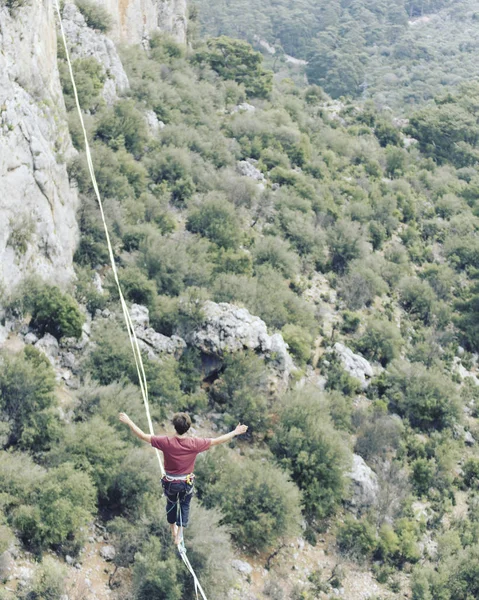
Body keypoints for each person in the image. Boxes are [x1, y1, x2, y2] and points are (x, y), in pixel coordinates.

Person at [119, 411, 247, 545]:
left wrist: (129, 421)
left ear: (174, 426)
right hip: (186, 483)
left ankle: (173, 528)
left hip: (170, 483)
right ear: (188, 427)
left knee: (171, 503)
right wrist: (235, 432)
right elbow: (217, 441)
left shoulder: (165, 442)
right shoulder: (195, 443)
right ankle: (179, 535)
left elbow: (142, 436)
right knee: (185, 505)